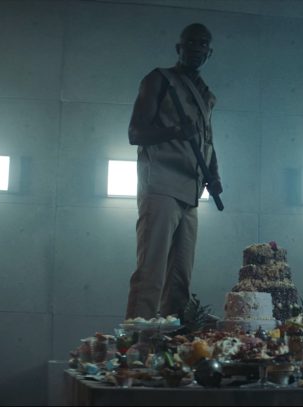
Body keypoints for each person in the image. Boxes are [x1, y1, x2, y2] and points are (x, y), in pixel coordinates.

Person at [125, 23, 222, 320]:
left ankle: (173, 343)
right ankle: (138, 341)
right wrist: (175, 130)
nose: (196, 48)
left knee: (180, 280)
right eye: (190, 42)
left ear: (210, 52)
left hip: (191, 192)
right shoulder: (159, 80)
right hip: (162, 185)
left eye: (203, 44)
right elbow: (135, 133)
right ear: (179, 47)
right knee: (151, 273)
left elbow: (207, 141)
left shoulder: (206, 94)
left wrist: (214, 174)